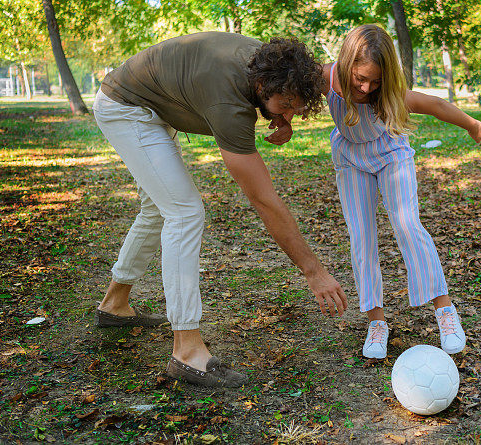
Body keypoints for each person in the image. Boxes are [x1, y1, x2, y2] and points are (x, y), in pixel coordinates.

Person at [92, 32, 348, 388]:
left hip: (148, 99)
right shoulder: (229, 103)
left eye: (295, 108)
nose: (290, 113)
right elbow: (263, 200)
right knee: (184, 213)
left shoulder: (270, 61)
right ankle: (186, 350)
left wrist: (281, 112)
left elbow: (302, 84)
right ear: (262, 86)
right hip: (126, 106)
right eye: (286, 105)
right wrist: (313, 270)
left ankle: (114, 304)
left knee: (157, 210)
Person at [322, 24, 481, 359]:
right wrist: (283, 123)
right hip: (351, 159)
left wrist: (472, 124)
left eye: (375, 81)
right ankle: (376, 322)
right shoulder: (326, 78)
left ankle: (445, 311)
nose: (366, 87)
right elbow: (290, 89)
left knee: (407, 225)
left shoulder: (392, 96)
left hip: (391, 154)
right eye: (360, 79)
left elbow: (437, 104)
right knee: (361, 237)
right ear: (345, 64)